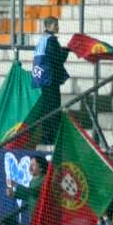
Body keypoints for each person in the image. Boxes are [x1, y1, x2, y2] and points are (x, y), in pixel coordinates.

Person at [31, 16, 69, 144]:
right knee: (53, 109)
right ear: (48, 27)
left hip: (43, 79)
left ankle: (46, 138)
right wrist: (67, 51)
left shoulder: (43, 40)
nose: (57, 27)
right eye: (55, 25)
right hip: (50, 79)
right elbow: (57, 59)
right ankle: (53, 140)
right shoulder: (51, 40)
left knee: (46, 109)